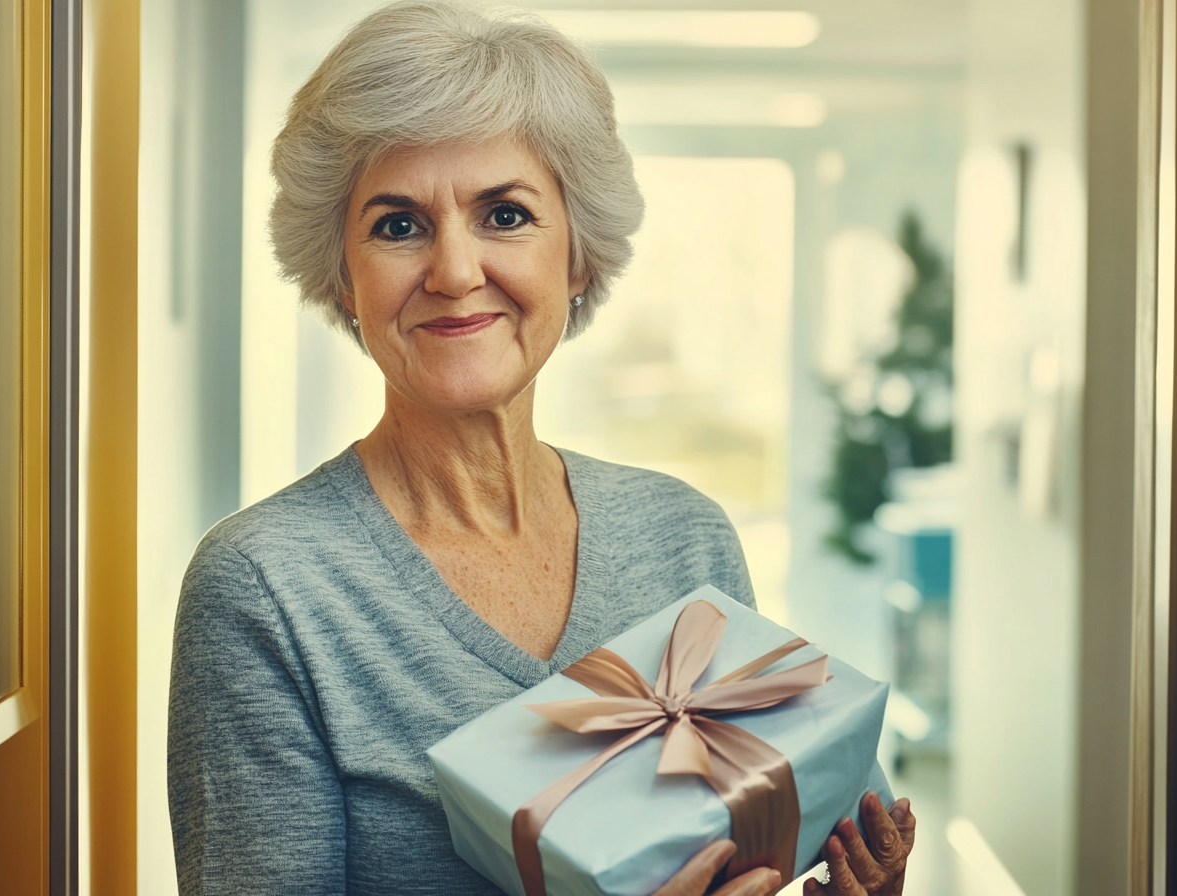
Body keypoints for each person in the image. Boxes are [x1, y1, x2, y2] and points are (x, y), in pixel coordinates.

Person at [167, 3, 915, 895]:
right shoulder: (265, 586)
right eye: (397, 225)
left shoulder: (684, 534)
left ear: (577, 257)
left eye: (505, 215)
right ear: (342, 272)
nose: (452, 271)